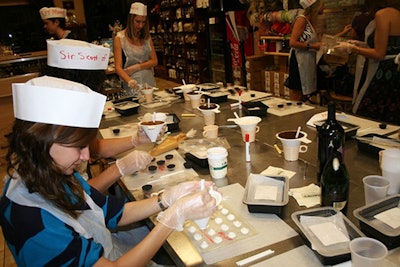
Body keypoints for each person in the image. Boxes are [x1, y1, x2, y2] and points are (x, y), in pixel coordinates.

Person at [0, 75, 218, 266]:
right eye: (79, 147)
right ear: (41, 142)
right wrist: (171, 219)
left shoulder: (48, 172)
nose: (86, 157)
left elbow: (109, 212)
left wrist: (166, 199)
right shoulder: (31, 219)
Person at [42, 38, 155, 194]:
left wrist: (136, 140)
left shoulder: (66, 111)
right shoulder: (48, 129)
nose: (86, 155)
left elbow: (93, 147)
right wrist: (117, 169)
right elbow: (77, 198)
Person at [335, 1, 400, 125]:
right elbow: (390, 46)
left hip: (387, 73)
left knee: (371, 120)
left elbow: (379, 54)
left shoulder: (384, 14)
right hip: (395, 70)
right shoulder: (396, 13)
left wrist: (352, 48)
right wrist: (360, 44)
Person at [288, 0, 352, 102]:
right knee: (298, 93)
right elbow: (292, 42)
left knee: (305, 94)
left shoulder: (312, 22)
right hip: (299, 61)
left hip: (308, 61)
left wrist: (343, 33)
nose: (324, 7)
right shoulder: (302, 20)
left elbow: (323, 42)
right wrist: (312, 46)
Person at [113, 1, 158, 96]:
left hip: (148, 80)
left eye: (143, 22)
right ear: (130, 20)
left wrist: (135, 67)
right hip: (132, 82)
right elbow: (118, 67)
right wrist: (129, 81)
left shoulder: (146, 37)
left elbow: (154, 61)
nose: (140, 26)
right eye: (137, 21)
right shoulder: (120, 38)